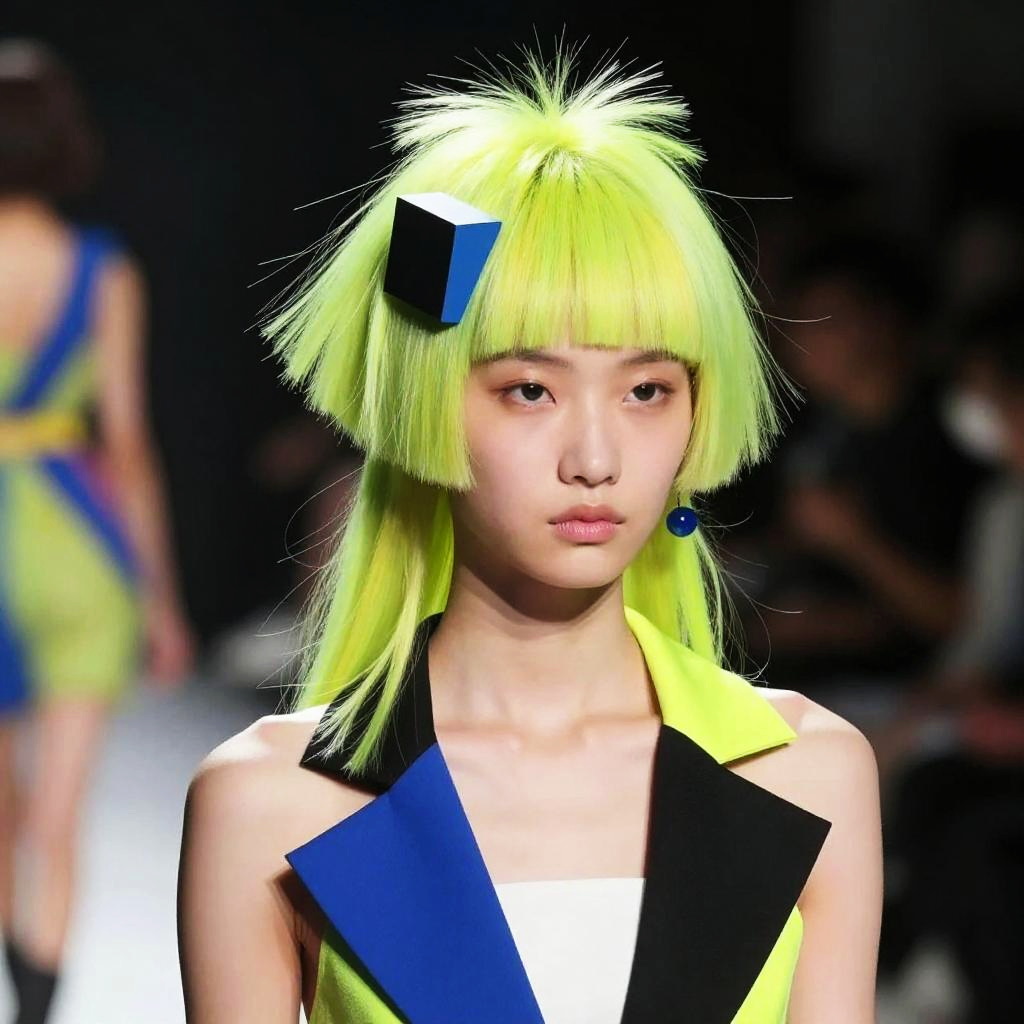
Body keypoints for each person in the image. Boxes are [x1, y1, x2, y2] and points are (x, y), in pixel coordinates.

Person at [177, 49, 882, 1023]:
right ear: (422, 408)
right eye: (529, 390)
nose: (595, 457)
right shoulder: (267, 804)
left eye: (647, 389)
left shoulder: (806, 771)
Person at [0, 39, 194, 1024]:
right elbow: (126, 443)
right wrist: (161, 601)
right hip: (74, 544)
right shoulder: (100, 272)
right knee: (58, 816)